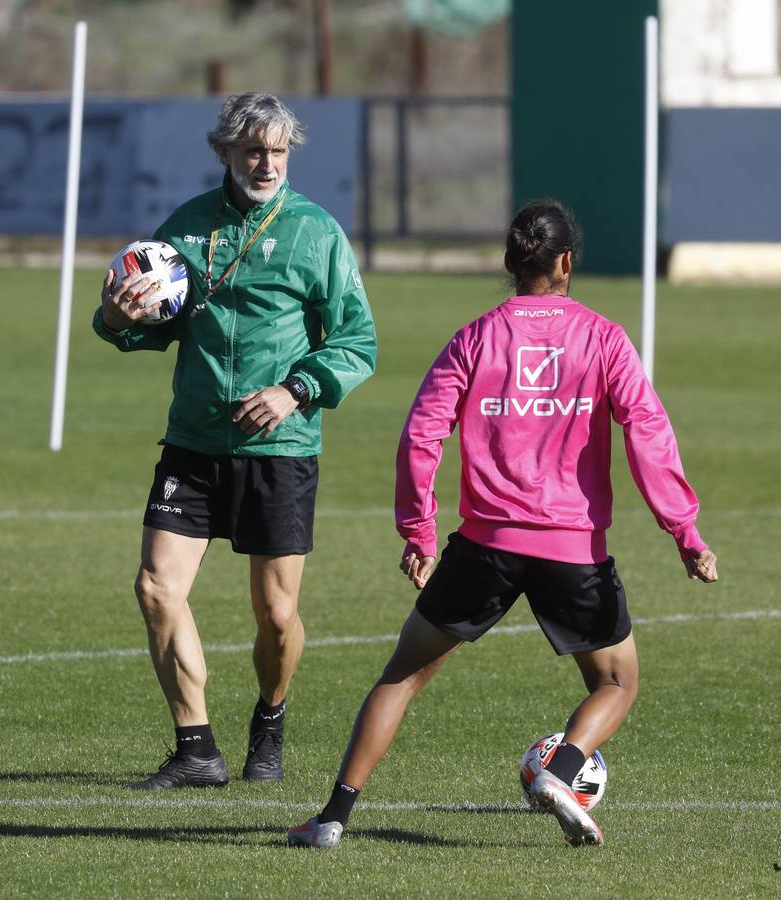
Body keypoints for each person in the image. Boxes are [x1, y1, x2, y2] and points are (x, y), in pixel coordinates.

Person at [287, 199, 717, 848]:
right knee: (617, 682)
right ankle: (563, 770)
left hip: (482, 548)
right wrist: (684, 532)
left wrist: (419, 532)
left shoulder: (475, 337)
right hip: (573, 553)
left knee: (401, 676)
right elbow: (647, 434)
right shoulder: (603, 337)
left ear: (511, 263)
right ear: (567, 261)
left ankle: (332, 821)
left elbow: (420, 436)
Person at [93, 92, 377, 789]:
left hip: (279, 449)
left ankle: (270, 717)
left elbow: (357, 342)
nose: (267, 163)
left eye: (278, 151)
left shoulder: (316, 232)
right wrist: (114, 314)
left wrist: (295, 390)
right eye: (253, 150)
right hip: (192, 442)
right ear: (224, 151)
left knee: (277, 616)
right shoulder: (186, 229)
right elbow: (147, 326)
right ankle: (196, 748)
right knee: (157, 588)